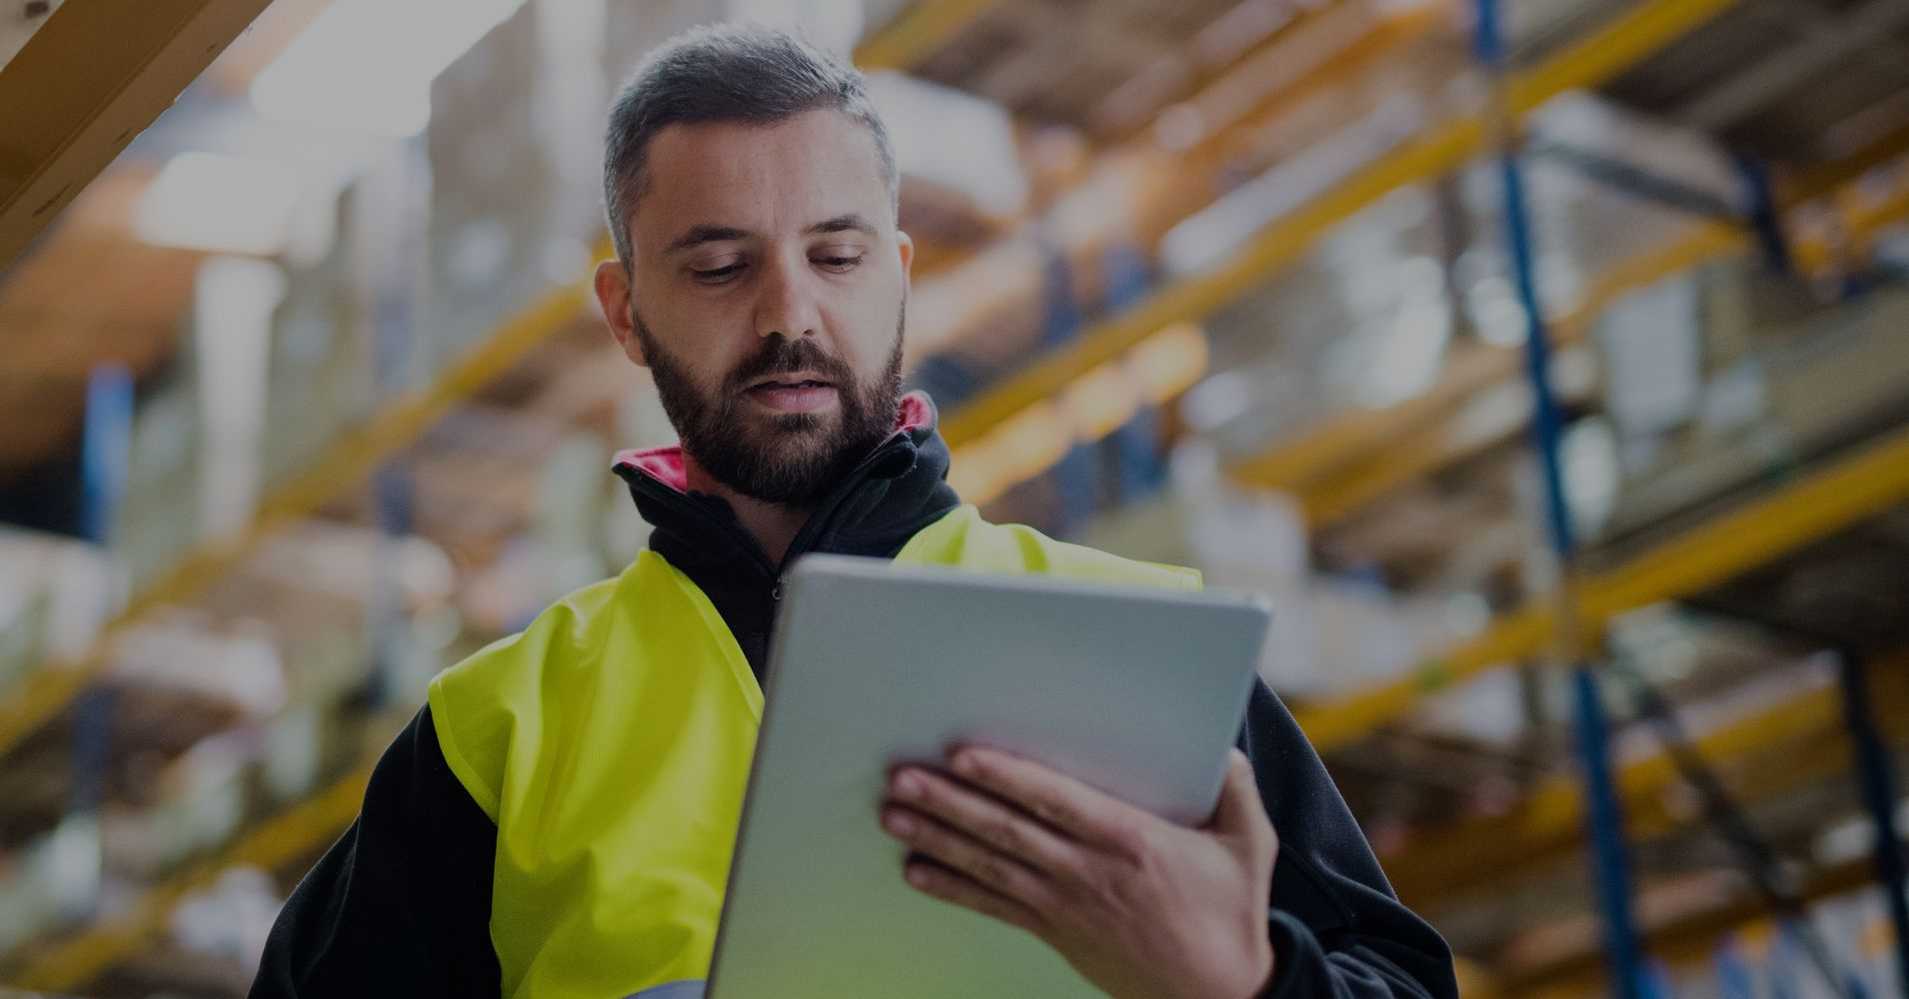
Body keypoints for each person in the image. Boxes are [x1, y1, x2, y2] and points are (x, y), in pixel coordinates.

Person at [250, 24, 1457, 999]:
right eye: (720, 267)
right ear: (623, 312)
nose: (791, 315)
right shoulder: (497, 735)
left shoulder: (1142, 644)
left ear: (898, 271)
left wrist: (1245, 985)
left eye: (835, 255)